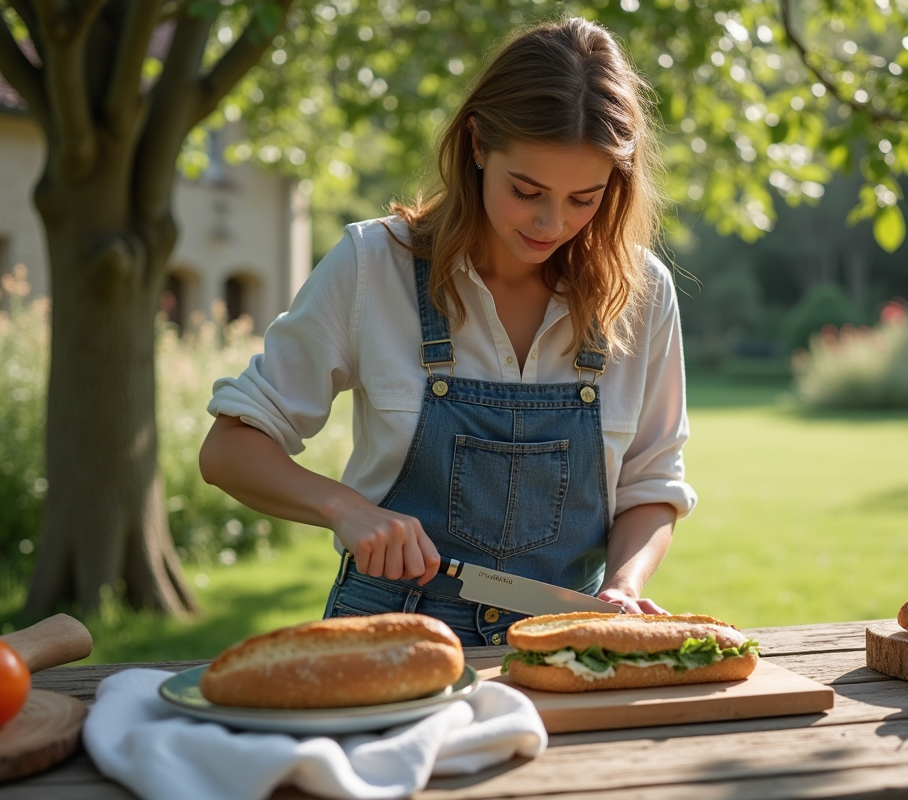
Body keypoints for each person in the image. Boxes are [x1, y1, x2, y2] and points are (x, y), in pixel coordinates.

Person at [199, 17, 697, 647]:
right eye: (528, 190)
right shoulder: (371, 265)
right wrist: (347, 509)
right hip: (388, 632)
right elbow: (227, 450)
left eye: (585, 197)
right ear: (477, 145)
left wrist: (623, 586)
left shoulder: (640, 291)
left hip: (567, 639)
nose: (552, 222)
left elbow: (652, 483)